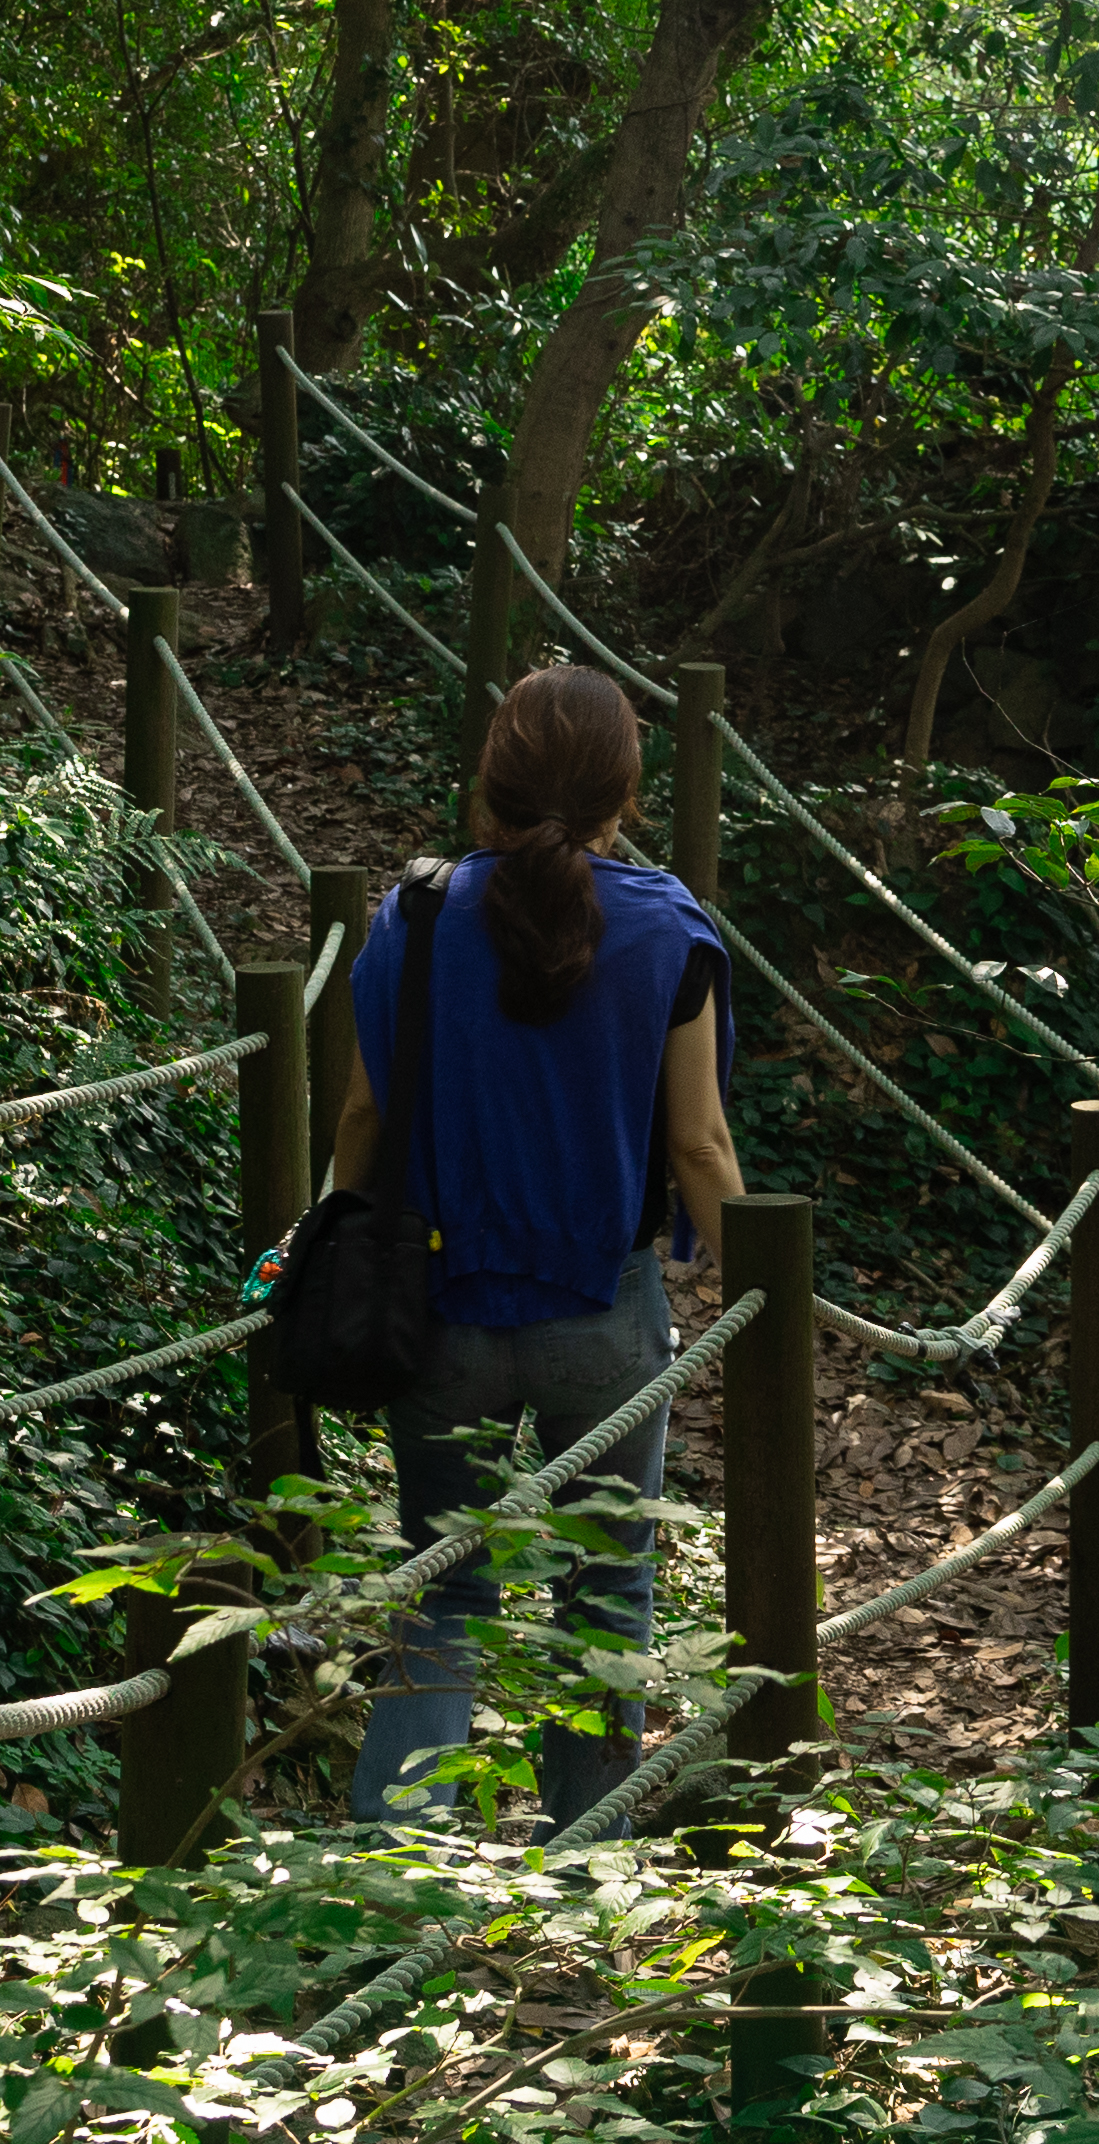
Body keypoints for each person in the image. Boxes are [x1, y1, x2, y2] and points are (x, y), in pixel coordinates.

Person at [326, 659, 744, 1828]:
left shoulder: (412, 916)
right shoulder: (667, 926)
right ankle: (583, 1857)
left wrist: (328, 1238)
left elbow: (364, 1113)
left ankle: (391, 1869)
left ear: (492, 778)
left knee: (439, 1590)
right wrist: (760, 1303)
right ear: (624, 788)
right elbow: (702, 1147)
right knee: (606, 1590)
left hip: (438, 1310)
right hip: (604, 1320)